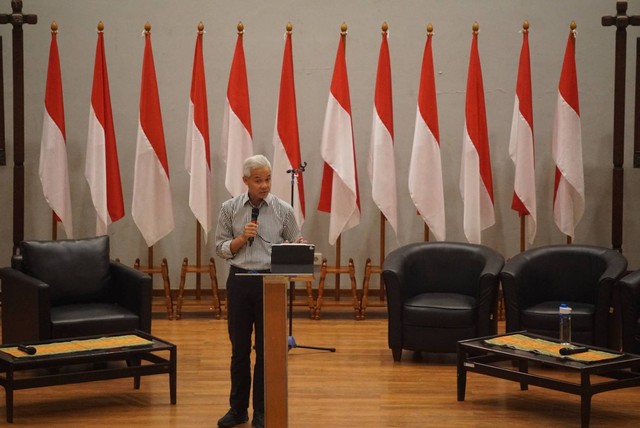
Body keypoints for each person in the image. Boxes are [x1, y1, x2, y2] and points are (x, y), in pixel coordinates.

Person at [215, 154, 304, 428]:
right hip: (239, 281)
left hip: (270, 284)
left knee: (267, 352)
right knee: (239, 350)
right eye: (258, 180)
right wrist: (241, 238)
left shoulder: (283, 210)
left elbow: (296, 240)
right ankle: (237, 409)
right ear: (245, 181)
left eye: (267, 179)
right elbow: (219, 248)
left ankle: (263, 413)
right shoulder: (230, 208)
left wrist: (299, 246)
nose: (264, 185)